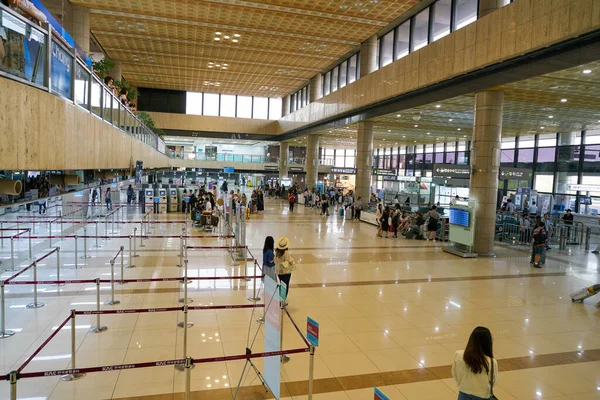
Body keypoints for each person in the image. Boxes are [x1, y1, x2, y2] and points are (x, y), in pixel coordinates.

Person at [452, 326, 498, 400]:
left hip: (463, 394)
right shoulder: (491, 362)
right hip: (482, 396)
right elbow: (493, 382)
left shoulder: (458, 355)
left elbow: (455, 374)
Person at [275, 237, 296, 306]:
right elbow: (291, 261)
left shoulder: (277, 252)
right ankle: (283, 301)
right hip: (286, 272)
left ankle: (280, 299)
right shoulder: (286, 253)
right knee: (285, 286)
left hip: (279, 272)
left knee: (281, 285)